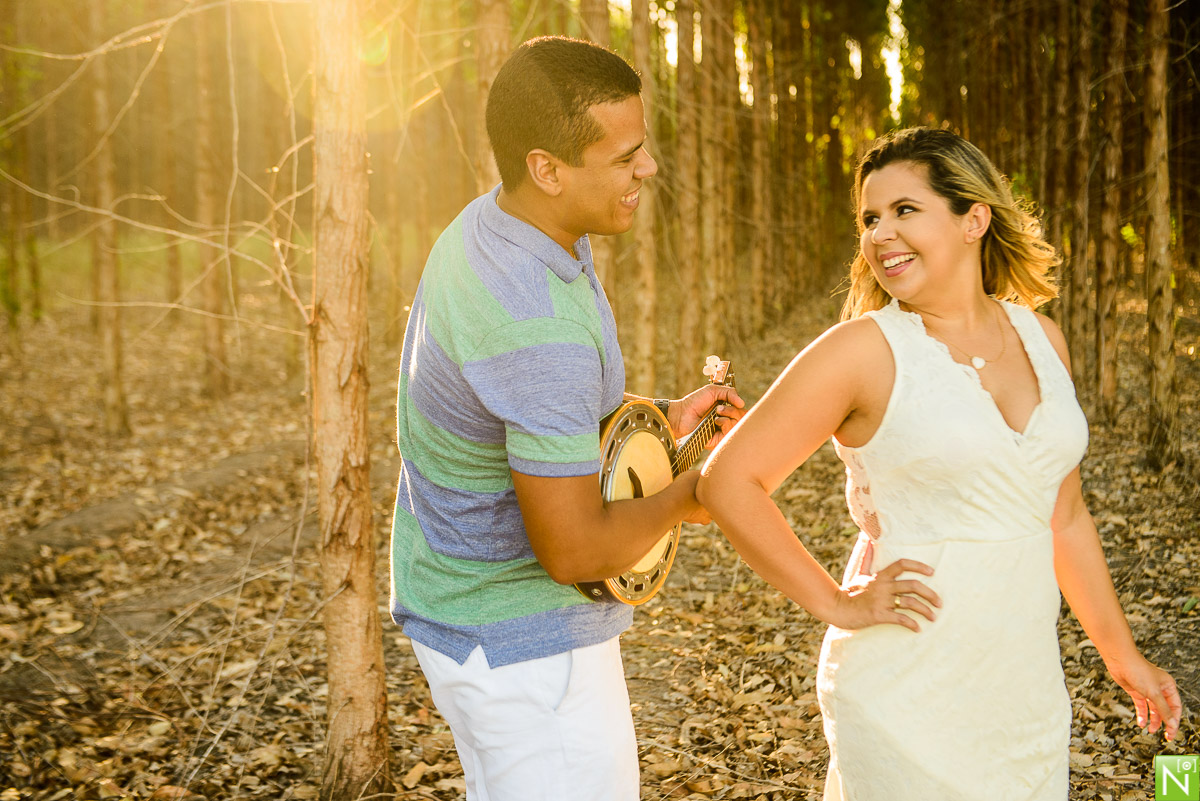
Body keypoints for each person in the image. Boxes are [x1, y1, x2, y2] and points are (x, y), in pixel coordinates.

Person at [696, 127, 1180, 800]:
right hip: (905, 693)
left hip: (1022, 695)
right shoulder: (861, 351)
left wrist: (1122, 656)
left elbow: (1064, 517)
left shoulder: (1043, 338)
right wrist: (836, 602)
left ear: (973, 219)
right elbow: (728, 480)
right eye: (870, 218)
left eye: (904, 210)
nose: (880, 234)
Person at [389, 36, 743, 801]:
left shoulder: (496, 225)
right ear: (547, 169)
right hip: (525, 655)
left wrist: (661, 419)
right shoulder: (535, 320)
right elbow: (574, 548)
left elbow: (528, 408)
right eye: (625, 158)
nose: (649, 168)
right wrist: (692, 491)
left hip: (464, 612)